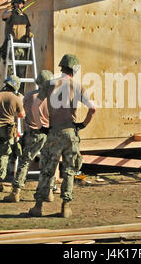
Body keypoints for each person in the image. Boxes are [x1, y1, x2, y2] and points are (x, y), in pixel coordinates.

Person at [28, 54, 96, 218]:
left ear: (61, 67)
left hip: (53, 132)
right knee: (69, 171)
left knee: (47, 170)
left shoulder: (50, 84)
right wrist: (82, 125)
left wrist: (41, 127)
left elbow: (35, 107)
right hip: (71, 133)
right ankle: (65, 207)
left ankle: (38, 207)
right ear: (74, 70)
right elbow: (93, 109)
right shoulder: (78, 86)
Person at [3, 70, 56, 203]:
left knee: (24, 162)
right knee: (48, 163)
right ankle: (49, 193)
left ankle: (16, 192)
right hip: (49, 134)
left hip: (33, 133)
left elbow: (22, 112)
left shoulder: (30, 96)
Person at [0, 0, 33, 93]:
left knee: (21, 73)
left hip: (22, 48)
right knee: (11, 72)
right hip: (11, 48)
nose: (20, 6)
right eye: (18, 4)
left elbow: (28, 28)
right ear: (13, 4)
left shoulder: (25, 16)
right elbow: (4, 16)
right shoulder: (10, 14)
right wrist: (11, 11)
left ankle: (20, 93)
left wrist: (29, 34)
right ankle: (9, 92)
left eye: (21, 4)